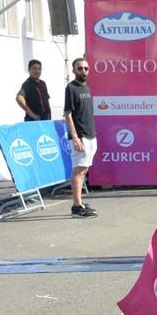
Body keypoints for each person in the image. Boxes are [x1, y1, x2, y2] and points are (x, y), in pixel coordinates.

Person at [63, 57, 97, 218]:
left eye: (86, 68)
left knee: (84, 169)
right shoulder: (71, 88)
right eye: (79, 68)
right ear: (74, 70)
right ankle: (76, 207)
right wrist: (75, 137)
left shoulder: (87, 88)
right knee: (79, 170)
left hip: (91, 136)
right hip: (80, 137)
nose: (83, 71)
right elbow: (68, 114)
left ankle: (80, 202)